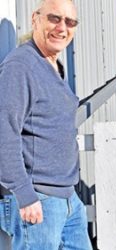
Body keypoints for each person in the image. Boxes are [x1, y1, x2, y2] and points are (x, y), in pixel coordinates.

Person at [0, 0, 92, 249]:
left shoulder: (53, 66)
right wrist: (24, 194)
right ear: (35, 19)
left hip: (68, 199)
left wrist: (71, 197)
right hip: (38, 200)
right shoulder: (21, 66)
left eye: (70, 22)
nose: (62, 28)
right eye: (54, 18)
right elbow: (4, 132)